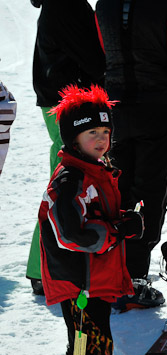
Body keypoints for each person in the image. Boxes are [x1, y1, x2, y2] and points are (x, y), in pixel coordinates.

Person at [38, 85, 140, 355]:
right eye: (91, 132)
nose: (101, 139)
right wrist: (115, 231)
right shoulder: (71, 179)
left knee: (83, 352)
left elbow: (95, 213)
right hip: (80, 284)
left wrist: (124, 218)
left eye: (105, 131)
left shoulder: (94, 170)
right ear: (73, 138)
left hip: (91, 281)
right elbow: (71, 234)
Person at [96, 0, 167, 311]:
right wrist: (165, 88)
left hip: (116, 106)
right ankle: (134, 276)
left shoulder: (104, 6)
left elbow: (104, 52)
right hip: (155, 105)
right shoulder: (166, 6)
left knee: (118, 187)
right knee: (150, 189)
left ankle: (115, 270)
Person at [27, 0, 106, 296]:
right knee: (65, 183)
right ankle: (47, 268)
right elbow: (96, 61)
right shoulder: (64, 5)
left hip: (65, 101)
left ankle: (47, 267)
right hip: (68, 104)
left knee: (67, 181)